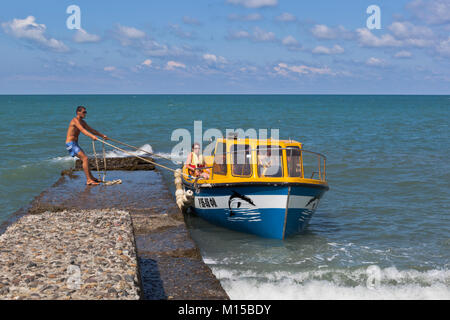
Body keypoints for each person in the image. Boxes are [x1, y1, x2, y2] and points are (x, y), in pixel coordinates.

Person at [65, 106, 108, 185]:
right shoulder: (74, 120)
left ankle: (91, 178)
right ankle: (88, 180)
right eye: (84, 112)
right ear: (78, 112)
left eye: (86, 112)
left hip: (75, 144)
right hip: (70, 144)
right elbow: (82, 130)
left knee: (85, 159)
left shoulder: (83, 122)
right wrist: (92, 136)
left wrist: (102, 135)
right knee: (85, 158)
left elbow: (92, 130)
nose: (85, 113)